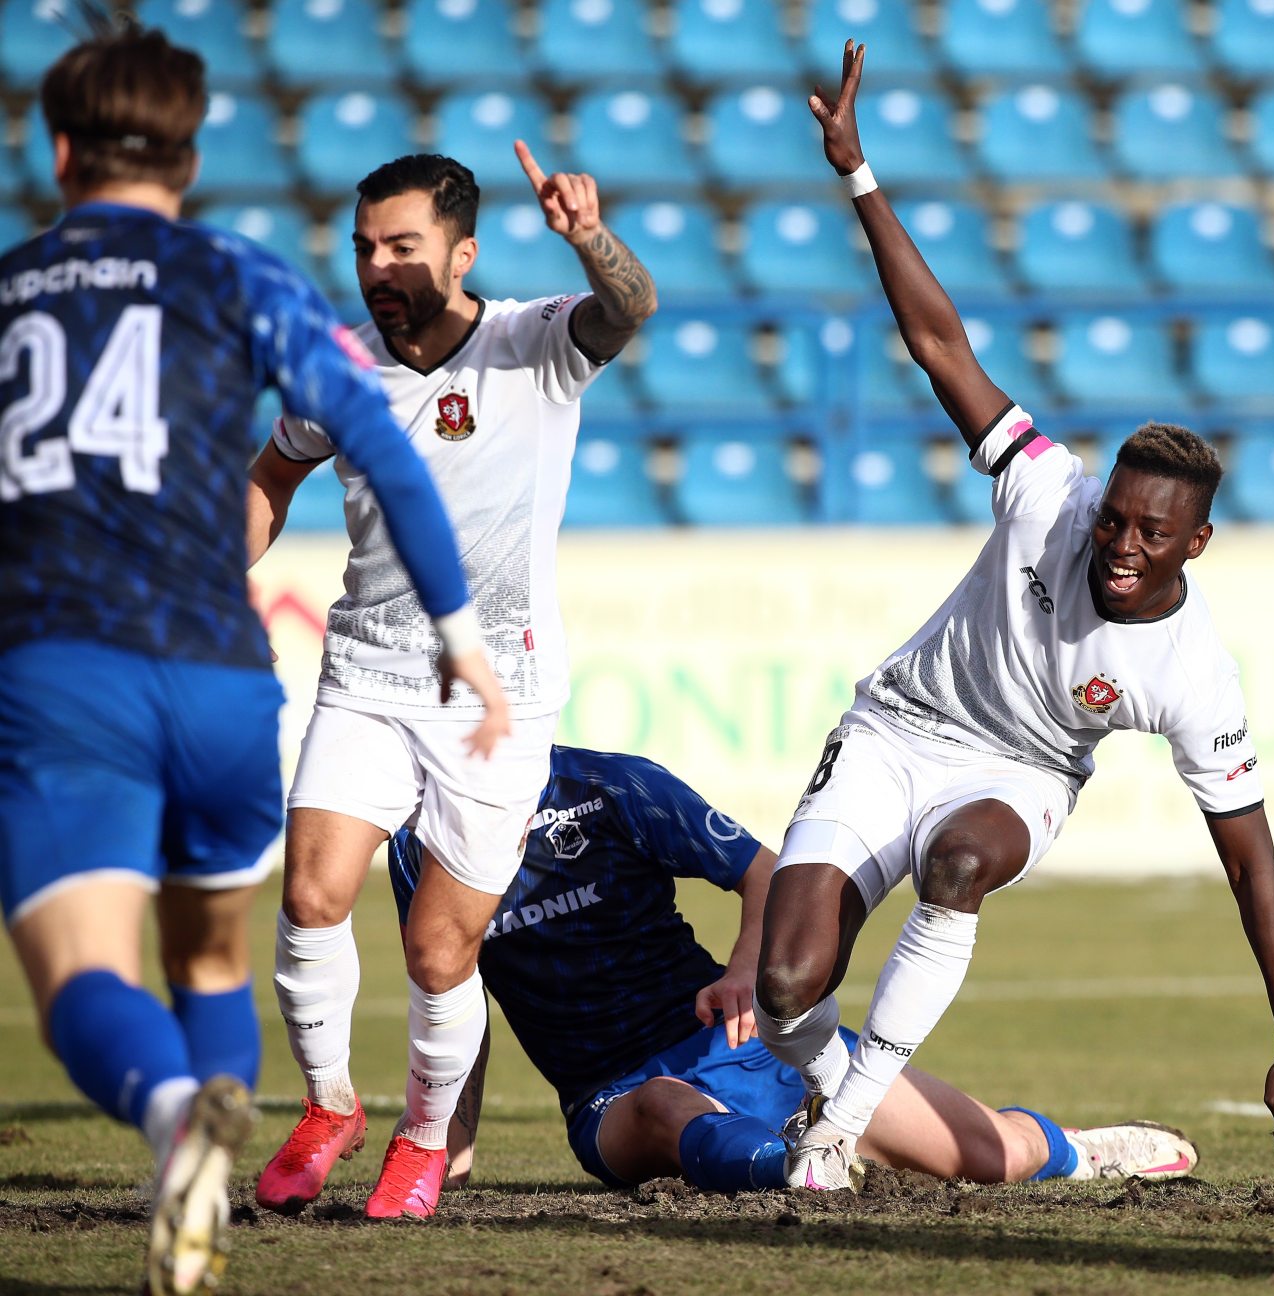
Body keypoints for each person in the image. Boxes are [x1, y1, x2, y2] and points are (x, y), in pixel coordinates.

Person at [749, 43, 1274, 1195]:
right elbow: (939, 344)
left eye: (1151, 535)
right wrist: (860, 176)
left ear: (1197, 544)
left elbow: (1255, 869)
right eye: (1116, 521)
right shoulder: (1045, 487)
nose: (1120, 548)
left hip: (1019, 775)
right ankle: (855, 1104)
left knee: (961, 862)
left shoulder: (1192, 670)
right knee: (783, 991)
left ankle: (840, 1129)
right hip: (893, 730)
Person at [0, 26, 500, 1296]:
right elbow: (382, 450)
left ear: (54, 150)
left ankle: (177, 1115)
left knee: (84, 983)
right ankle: (211, 1184)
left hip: (67, 671)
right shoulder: (245, 276)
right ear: (190, 152)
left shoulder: (10, 291)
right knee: (214, 952)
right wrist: (460, 637)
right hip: (225, 683)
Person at [246, 147, 657, 1221]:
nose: (379, 268)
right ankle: (330, 1106)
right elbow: (274, 473)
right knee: (309, 894)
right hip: (369, 669)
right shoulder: (337, 369)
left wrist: (587, 237)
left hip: (499, 696)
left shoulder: (535, 346)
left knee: (439, 947)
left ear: (462, 253)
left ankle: (425, 1140)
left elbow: (633, 304)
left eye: (403, 248)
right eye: (365, 248)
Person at [387, 745, 1202, 1194]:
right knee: (668, 1107)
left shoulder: (613, 787)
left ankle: (1076, 1151)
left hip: (749, 1048)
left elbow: (767, 871)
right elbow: (451, 995)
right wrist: (444, 1141)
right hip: (610, 1096)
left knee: (993, 1159)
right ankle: (804, 1166)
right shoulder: (417, 845)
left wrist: (746, 971)